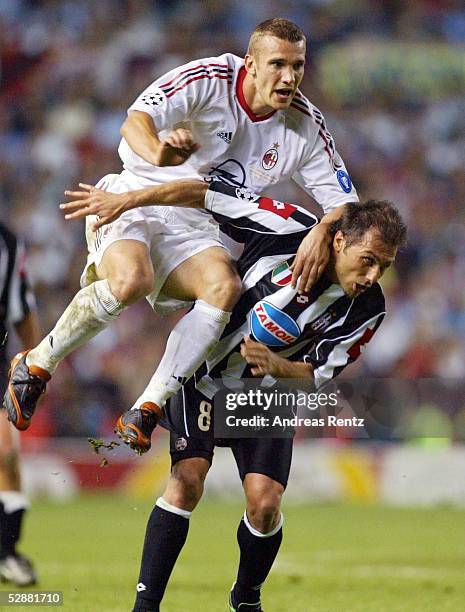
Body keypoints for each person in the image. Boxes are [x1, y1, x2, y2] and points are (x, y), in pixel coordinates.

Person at [3, 18, 358, 445]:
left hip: (195, 221)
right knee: (131, 281)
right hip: (136, 191)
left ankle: (147, 408)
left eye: (298, 66)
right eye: (278, 64)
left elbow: (346, 206)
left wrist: (323, 230)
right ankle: (38, 363)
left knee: (223, 287)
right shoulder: (209, 79)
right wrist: (157, 151)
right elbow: (134, 121)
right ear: (251, 63)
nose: (289, 77)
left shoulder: (305, 125)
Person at [59, 179, 406, 611]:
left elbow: (316, 375)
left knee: (265, 505)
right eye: (368, 261)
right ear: (338, 240)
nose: (373, 276)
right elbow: (207, 192)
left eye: (384, 267)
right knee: (187, 482)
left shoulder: (370, 308)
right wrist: (128, 199)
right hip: (201, 372)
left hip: (266, 394)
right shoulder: (288, 228)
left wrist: (277, 366)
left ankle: (246, 599)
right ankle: (145, 607)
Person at [0, 223, 41, 586]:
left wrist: (38, 366)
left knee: (6, 455)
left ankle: (7, 554)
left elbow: (23, 308)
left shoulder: (9, 243)